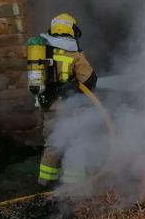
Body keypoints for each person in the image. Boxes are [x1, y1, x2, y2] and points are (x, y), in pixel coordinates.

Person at [34, 13, 97, 187]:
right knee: (75, 142)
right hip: (71, 107)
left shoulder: (42, 49)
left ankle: (44, 182)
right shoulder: (74, 52)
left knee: (53, 143)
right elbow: (90, 80)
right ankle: (74, 185)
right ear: (72, 30)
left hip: (50, 106)